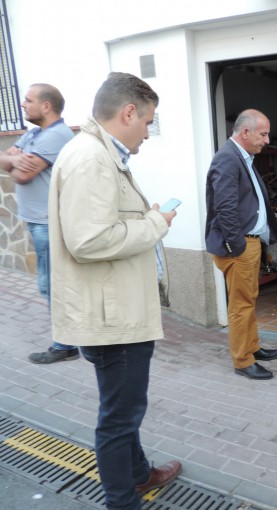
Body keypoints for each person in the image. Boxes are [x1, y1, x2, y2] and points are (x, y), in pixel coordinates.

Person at [48, 72, 181, 509]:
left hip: (117, 312)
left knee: (126, 408)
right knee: (118, 418)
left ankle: (140, 474)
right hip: (114, 319)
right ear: (128, 113)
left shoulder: (100, 154)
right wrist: (155, 224)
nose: (147, 132)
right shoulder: (91, 159)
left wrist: (146, 222)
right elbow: (88, 241)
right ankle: (123, 501)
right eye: (147, 122)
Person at [0, 83, 79, 364]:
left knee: (52, 286)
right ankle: (69, 340)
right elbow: (3, 159)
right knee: (51, 284)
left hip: (48, 223)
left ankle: (65, 345)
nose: (23, 104)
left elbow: (21, 176)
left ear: (46, 106)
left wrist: (15, 161)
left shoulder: (56, 135)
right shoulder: (35, 133)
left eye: (28, 100)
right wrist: (14, 160)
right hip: (37, 220)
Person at [205, 109, 277, 380]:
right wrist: (236, 245)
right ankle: (242, 360)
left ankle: (252, 347)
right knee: (241, 305)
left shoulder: (242, 157)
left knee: (248, 300)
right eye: (263, 134)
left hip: (249, 244)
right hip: (239, 247)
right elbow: (225, 208)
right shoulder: (228, 159)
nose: (267, 140)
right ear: (245, 132)